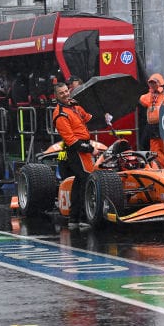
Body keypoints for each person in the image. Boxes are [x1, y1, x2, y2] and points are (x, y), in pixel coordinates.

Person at [51, 81, 96, 224]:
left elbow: (88, 117)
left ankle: (74, 218)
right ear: (56, 96)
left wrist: (104, 116)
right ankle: (82, 216)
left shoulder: (74, 105)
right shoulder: (60, 114)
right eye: (62, 93)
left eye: (66, 91)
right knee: (85, 179)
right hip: (76, 149)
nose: (65, 94)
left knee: (79, 181)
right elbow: (71, 141)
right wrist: (90, 149)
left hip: (83, 146)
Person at [140, 73, 164, 163]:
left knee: (161, 147)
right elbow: (142, 100)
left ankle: (161, 165)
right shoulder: (150, 95)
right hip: (152, 125)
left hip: (162, 124)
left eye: (154, 82)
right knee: (154, 147)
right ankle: (157, 164)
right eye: (151, 83)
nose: (152, 84)